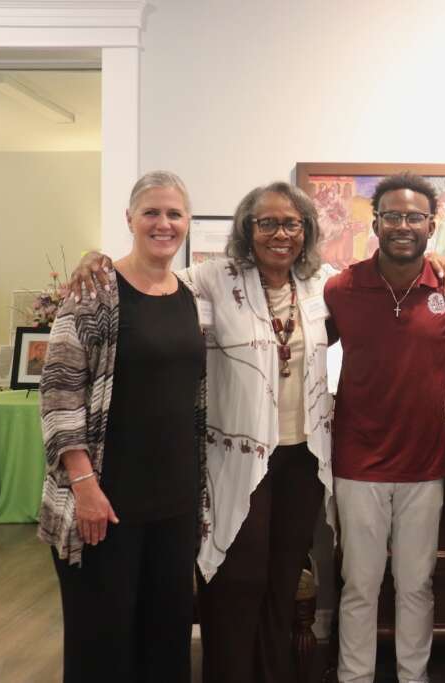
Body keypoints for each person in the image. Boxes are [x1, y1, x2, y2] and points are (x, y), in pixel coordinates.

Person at [67, 181, 338, 682]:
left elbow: (377, 287)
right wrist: (94, 258)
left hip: (302, 458)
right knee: (237, 580)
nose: (280, 233)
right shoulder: (212, 279)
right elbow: (148, 279)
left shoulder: (322, 283)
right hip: (239, 457)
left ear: (306, 230)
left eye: (291, 223)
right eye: (267, 223)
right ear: (246, 229)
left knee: (282, 580)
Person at [39, 170, 207, 682]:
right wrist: (85, 486)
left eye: (174, 213)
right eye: (151, 212)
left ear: (187, 223)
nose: (163, 223)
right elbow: (59, 392)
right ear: (129, 219)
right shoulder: (95, 292)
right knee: (102, 647)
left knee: (166, 642)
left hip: (174, 505)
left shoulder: (189, 294)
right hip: (106, 505)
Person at [324, 172, 445, 683]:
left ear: (432, 224)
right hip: (357, 463)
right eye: (392, 216)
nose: (403, 225)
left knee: (416, 586)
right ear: (376, 222)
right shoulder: (341, 288)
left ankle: (415, 677)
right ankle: (354, 677)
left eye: (414, 217)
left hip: (425, 465)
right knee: (359, 585)